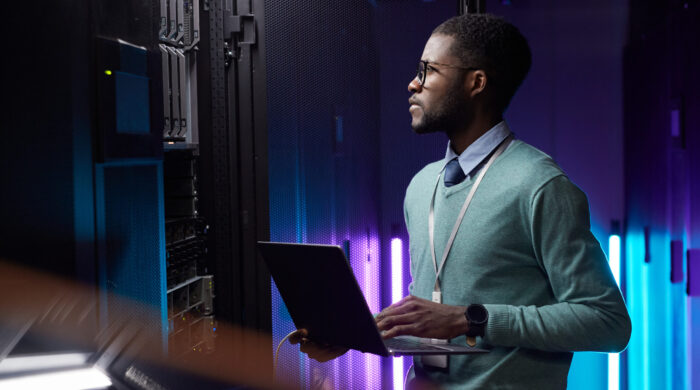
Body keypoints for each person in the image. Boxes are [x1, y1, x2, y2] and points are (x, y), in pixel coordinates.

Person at [294, 13, 631, 389]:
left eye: (428, 70)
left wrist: (471, 320)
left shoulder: (540, 184)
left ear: (477, 82)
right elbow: (434, 305)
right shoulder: (422, 186)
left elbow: (608, 323)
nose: (412, 84)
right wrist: (358, 335)